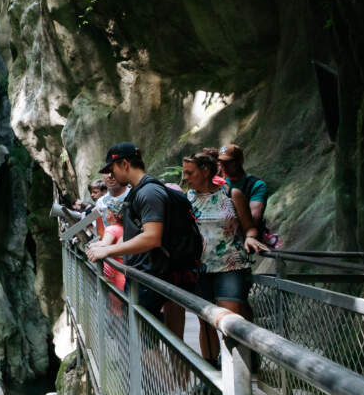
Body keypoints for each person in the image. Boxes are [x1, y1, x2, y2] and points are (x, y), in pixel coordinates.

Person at [87, 142, 202, 337]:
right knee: (167, 341)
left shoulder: (149, 193)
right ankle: (173, 369)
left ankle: (168, 369)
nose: (111, 175)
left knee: (143, 338)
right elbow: (135, 232)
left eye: (112, 169)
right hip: (153, 273)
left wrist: (108, 251)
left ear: (124, 164)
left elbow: (151, 237)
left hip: (154, 275)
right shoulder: (138, 192)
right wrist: (105, 244)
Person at [183, 149, 258, 369]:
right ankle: (210, 370)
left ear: (205, 171)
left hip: (231, 264)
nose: (185, 178)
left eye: (190, 173)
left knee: (229, 319)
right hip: (200, 267)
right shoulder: (186, 199)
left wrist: (250, 240)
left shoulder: (231, 195)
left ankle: (235, 370)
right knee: (205, 321)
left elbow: (249, 228)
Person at [217, 144, 269, 256]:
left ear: (238, 162)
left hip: (245, 239)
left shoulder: (256, 185)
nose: (223, 167)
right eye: (221, 163)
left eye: (227, 163)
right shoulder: (217, 183)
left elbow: (254, 219)